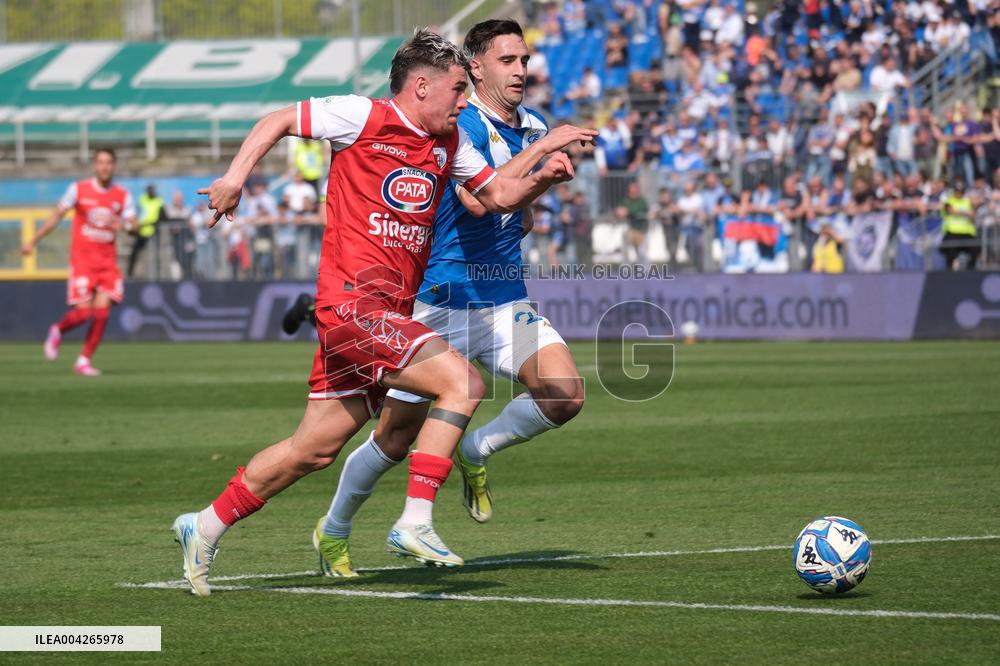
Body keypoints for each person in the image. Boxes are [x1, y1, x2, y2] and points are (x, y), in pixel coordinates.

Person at [171, 29, 576, 596]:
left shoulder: (450, 141)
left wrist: (543, 179)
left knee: (313, 450)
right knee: (462, 383)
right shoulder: (362, 116)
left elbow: (497, 197)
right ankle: (415, 521)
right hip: (352, 305)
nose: (464, 101)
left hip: (389, 312)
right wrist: (236, 177)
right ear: (421, 86)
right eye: (457, 89)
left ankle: (205, 524)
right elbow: (279, 120)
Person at [295, 20, 594, 577]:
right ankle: (333, 529)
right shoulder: (457, 122)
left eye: (524, 60)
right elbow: (480, 202)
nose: (521, 71)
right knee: (393, 438)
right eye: (507, 60)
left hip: (503, 297)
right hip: (438, 300)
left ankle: (476, 450)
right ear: (475, 68)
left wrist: (543, 179)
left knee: (565, 394)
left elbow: (519, 215)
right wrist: (542, 160)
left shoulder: (533, 125)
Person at [20, 148, 136, 376]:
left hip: (107, 265)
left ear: (114, 166)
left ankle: (84, 360)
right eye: (100, 162)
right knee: (84, 314)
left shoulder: (123, 195)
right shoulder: (79, 189)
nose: (104, 166)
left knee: (102, 314)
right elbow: (56, 216)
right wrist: (32, 241)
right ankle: (58, 330)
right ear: (94, 165)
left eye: (108, 162)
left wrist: (126, 226)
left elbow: (134, 225)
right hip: (83, 262)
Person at [940, 177, 979, 270]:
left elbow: (972, 215)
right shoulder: (949, 201)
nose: (959, 193)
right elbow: (951, 211)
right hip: (952, 233)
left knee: (976, 248)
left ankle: (970, 270)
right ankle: (951, 269)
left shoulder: (967, 201)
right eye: (957, 191)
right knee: (949, 252)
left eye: (960, 191)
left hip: (967, 233)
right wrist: (966, 213)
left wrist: (967, 213)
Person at [128, 183, 164, 277]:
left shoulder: (159, 201)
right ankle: (130, 274)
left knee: (155, 255)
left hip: (153, 231)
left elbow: (162, 216)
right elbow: (137, 212)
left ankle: (156, 275)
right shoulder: (142, 199)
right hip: (142, 231)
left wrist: (153, 223)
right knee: (135, 253)